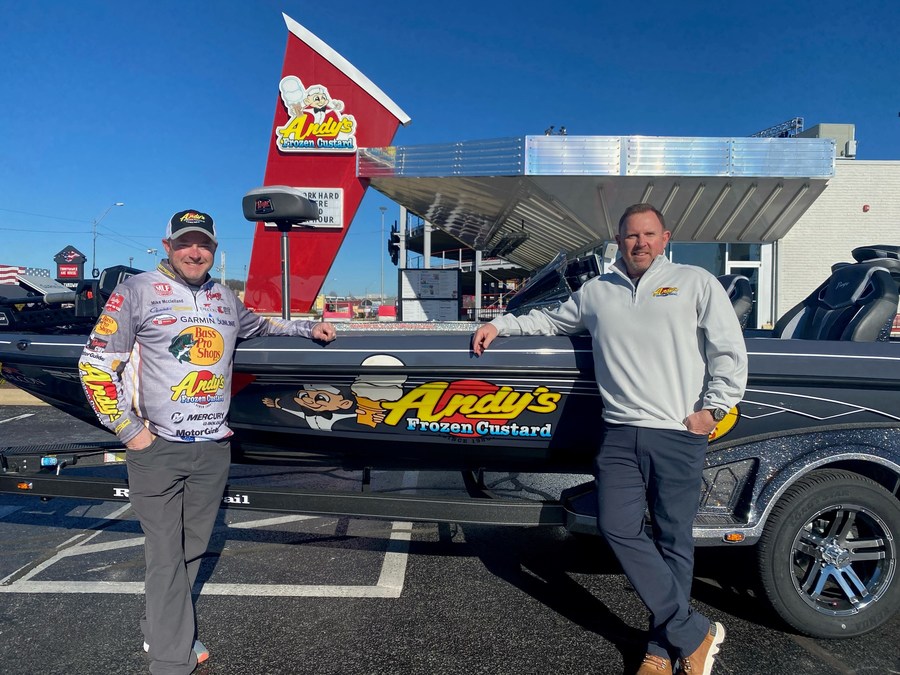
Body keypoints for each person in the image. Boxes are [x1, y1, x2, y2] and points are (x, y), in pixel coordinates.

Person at [472, 203, 747, 675]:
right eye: (630, 236)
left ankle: (661, 652)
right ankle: (691, 631)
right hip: (619, 433)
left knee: (673, 540)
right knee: (618, 527)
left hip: (678, 433)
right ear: (618, 242)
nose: (639, 243)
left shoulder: (695, 282)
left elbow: (728, 350)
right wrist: (501, 325)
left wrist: (713, 410)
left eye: (648, 234)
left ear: (665, 237)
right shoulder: (597, 291)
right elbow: (551, 320)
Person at [78, 209, 336, 675]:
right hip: (157, 448)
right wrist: (129, 431)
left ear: (214, 249)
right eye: (185, 243)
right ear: (167, 246)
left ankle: (161, 628)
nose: (195, 252)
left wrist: (306, 328)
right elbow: (95, 364)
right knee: (164, 553)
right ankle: (170, 659)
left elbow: (259, 326)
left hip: (214, 446)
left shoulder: (223, 295)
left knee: (192, 548)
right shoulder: (135, 291)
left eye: (204, 245)